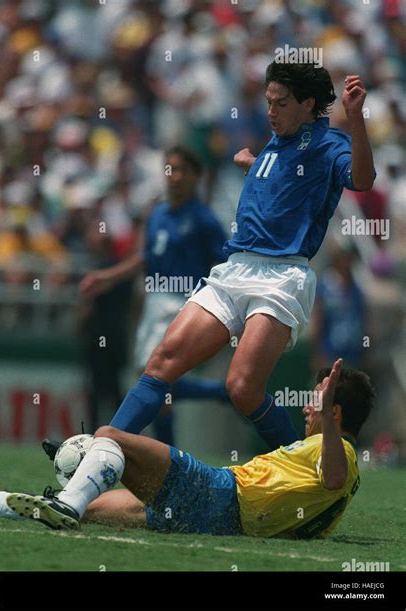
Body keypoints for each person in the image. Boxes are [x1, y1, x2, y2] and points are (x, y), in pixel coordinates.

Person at [101, 61, 376, 452]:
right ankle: (99, 452)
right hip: (235, 268)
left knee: (243, 389)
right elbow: (283, 179)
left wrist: (357, 121)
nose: (271, 111)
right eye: (268, 102)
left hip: (282, 274)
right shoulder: (276, 145)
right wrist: (253, 163)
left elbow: (363, 180)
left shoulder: (329, 144)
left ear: (307, 103)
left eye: (280, 103)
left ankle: (304, 471)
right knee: (160, 363)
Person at [0, 359, 375, 539]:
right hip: (223, 522)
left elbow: (334, 475)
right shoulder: (333, 460)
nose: (307, 405)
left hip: (219, 493)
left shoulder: (340, 456)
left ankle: (73, 490)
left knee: (111, 434)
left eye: (318, 399)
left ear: (335, 411)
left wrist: (330, 426)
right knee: (92, 509)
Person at [80, 146, 229, 444]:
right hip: (154, 300)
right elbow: (145, 258)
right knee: (155, 384)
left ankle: (115, 444)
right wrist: (107, 277)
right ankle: (172, 450)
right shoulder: (158, 213)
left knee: (154, 378)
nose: (174, 177)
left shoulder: (204, 219)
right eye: (169, 169)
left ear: (196, 176)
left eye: (182, 170)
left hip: (182, 302)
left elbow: (225, 264)